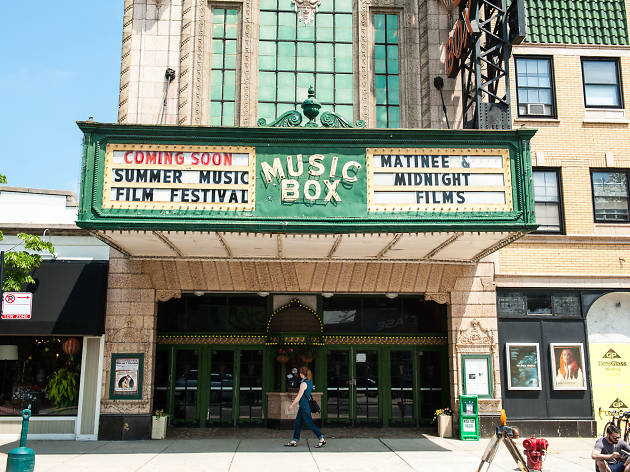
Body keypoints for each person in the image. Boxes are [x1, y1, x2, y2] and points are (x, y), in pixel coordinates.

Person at [285, 366, 326, 448]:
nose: (299, 374)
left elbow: (299, 396)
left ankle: (321, 438)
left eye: (300, 373)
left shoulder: (303, 384)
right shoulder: (309, 382)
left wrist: (291, 405)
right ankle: (294, 440)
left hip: (304, 406)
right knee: (297, 423)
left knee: (310, 423)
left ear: (301, 374)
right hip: (304, 405)